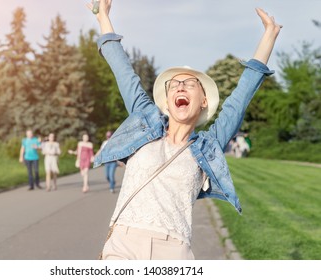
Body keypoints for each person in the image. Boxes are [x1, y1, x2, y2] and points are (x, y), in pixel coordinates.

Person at [89, 0, 281, 260]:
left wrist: (269, 34)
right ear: (167, 101)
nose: (180, 86)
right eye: (174, 84)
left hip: (174, 251)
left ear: (203, 101)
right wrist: (103, 18)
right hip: (124, 245)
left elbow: (240, 97)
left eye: (190, 83)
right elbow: (124, 72)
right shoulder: (144, 124)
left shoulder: (207, 146)